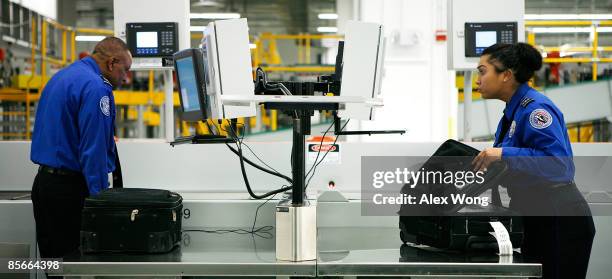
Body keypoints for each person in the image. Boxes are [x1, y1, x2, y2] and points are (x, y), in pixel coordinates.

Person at [471, 43, 595, 279]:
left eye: (483, 71)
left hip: (559, 217)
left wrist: (503, 154)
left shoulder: (535, 109)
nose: (478, 79)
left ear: (506, 75)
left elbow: (559, 165)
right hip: (535, 213)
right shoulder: (512, 112)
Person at [30, 37, 132, 262]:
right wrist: (100, 203)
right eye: (125, 70)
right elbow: (92, 150)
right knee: (75, 265)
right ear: (112, 63)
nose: (126, 78)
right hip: (69, 193)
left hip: (45, 186)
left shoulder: (64, 77)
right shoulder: (96, 87)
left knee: (54, 263)